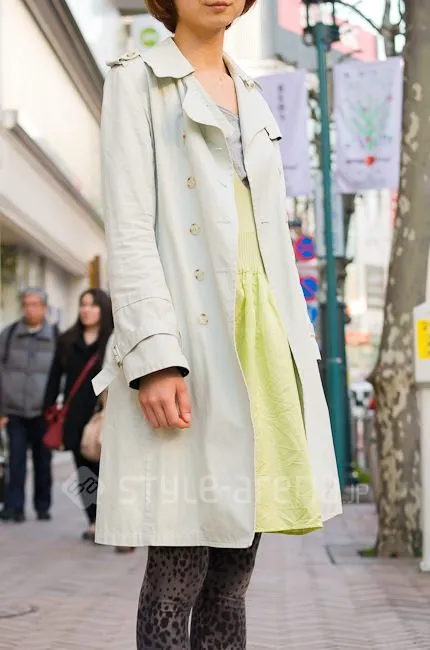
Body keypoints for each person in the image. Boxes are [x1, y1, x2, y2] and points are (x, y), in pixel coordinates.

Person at [94, 1, 343, 647]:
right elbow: (129, 228)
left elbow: (272, 241)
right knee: (177, 570)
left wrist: (299, 353)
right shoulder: (137, 78)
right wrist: (154, 356)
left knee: (233, 577)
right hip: (190, 338)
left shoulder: (254, 94)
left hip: (263, 339)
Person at [44, 289, 113, 541]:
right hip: (74, 415)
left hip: (104, 413)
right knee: (84, 472)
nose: (86, 310)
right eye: (83, 304)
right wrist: (48, 408)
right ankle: (93, 521)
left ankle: (111, 520)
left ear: (103, 309)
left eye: (93, 305)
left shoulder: (113, 340)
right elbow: (55, 377)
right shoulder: (67, 340)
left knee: (107, 469)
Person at [0, 288, 57, 523]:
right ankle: (15, 508)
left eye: (34, 304)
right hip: (14, 410)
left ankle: (42, 506)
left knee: (43, 461)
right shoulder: (9, 334)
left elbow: (61, 374)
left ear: (44, 308)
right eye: (26, 304)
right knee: (16, 461)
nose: (29, 309)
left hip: (43, 412)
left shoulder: (56, 337)